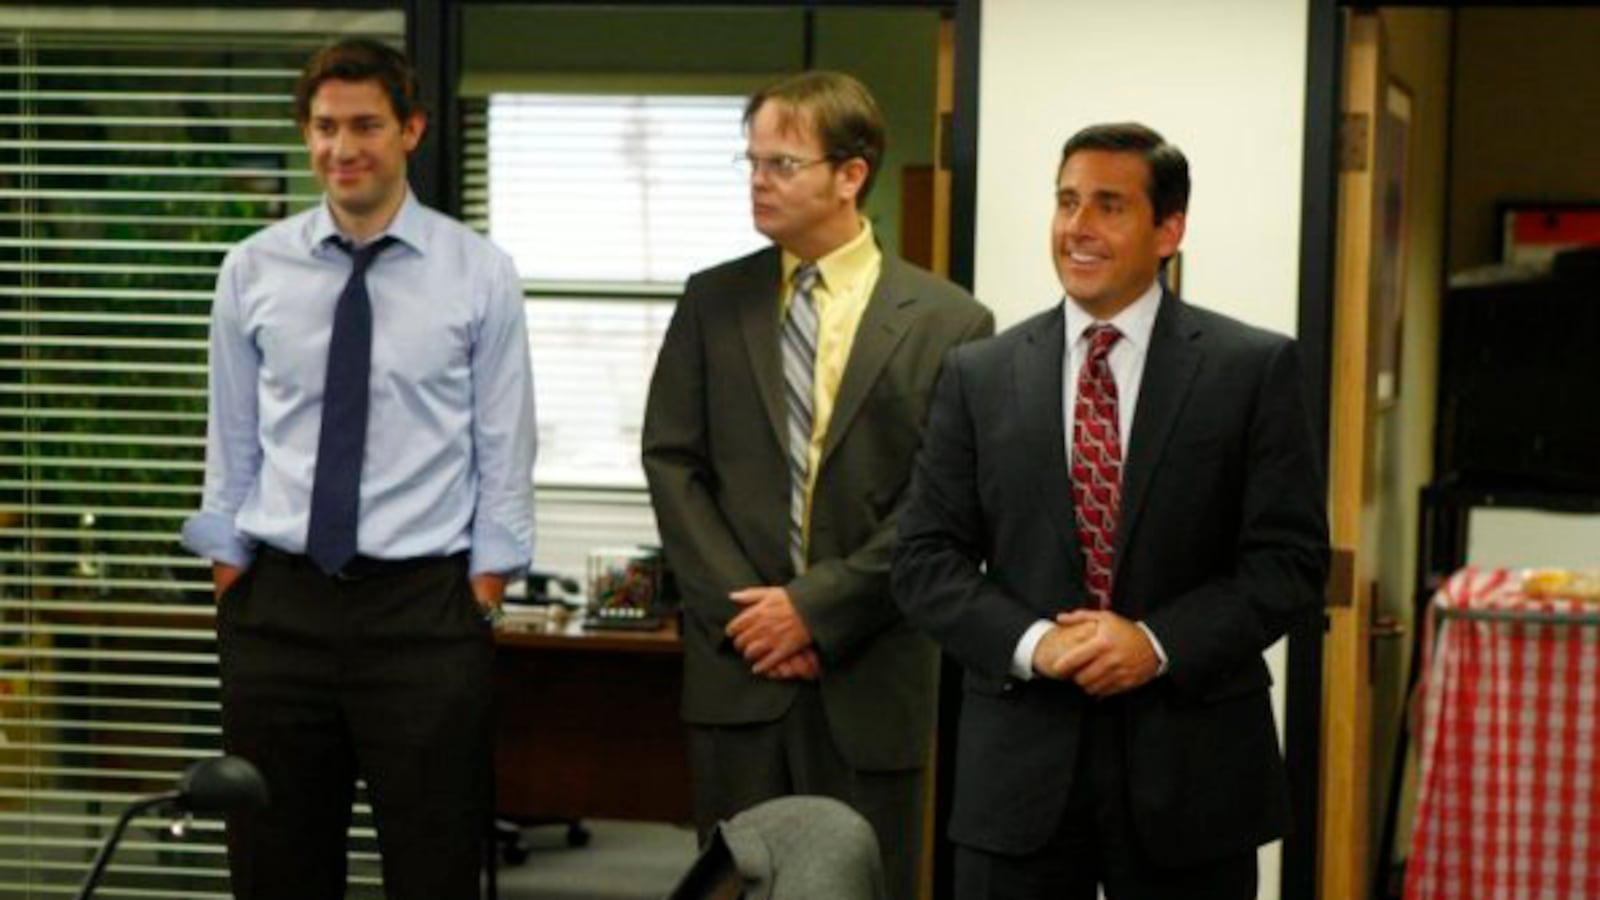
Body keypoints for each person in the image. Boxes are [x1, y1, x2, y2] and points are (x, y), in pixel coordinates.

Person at [892, 123, 1329, 900]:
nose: (1077, 228)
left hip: (1191, 776)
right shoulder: (979, 373)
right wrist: (1037, 644)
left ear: (1170, 230)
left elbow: (1288, 564)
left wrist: (1155, 643)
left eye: (1108, 206)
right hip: (1017, 778)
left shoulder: (1251, 368)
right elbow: (926, 560)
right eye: (1065, 202)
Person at [181, 38, 535, 900]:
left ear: (411, 129)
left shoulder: (479, 274)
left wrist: (482, 592)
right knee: (276, 868)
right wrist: (234, 578)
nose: (344, 149)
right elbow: (231, 443)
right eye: (325, 127)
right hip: (279, 612)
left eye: (367, 125)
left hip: (424, 614)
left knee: (433, 866)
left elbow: (505, 448)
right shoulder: (251, 270)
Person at [642, 70, 992, 899]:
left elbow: (942, 506)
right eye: (753, 161)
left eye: (783, 164)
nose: (760, 180)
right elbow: (672, 463)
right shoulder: (711, 301)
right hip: (740, 670)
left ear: (851, 173)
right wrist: (752, 615)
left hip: (870, 674)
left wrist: (815, 609)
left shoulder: (951, 322)